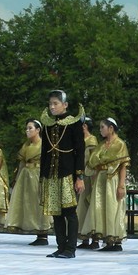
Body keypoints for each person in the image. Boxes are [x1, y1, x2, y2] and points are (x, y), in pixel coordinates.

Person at [40, 90, 85, 259]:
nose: (52, 107)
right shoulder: (48, 125)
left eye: (55, 104)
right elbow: (44, 152)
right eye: (50, 104)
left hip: (67, 174)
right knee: (56, 213)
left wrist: (79, 177)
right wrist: (42, 176)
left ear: (65, 105)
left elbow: (80, 151)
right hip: (51, 174)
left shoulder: (74, 123)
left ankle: (70, 249)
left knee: (69, 212)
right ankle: (60, 247)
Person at [80, 118, 130, 251]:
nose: (100, 130)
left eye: (102, 127)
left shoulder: (120, 144)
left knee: (113, 208)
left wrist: (121, 185)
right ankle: (101, 237)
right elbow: (93, 164)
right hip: (100, 180)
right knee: (99, 208)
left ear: (111, 128)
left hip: (113, 179)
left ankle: (115, 241)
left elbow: (123, 166)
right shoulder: (101, 145)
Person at [5, 119, 52, 245]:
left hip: (37, 174)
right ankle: (32, 227)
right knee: (26, 202)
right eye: (26, 128)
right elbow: (21, 163)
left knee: (38, 202)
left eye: (30, 128)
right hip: (25, 175)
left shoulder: (44, 145)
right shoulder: (26, 146)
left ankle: (43, 233)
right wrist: (16, 179)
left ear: (38, 130)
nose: (27, 131)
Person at [76, 117, 101, 250]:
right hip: (81, 177)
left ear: (84, 126)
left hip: (89, 178)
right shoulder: (80, 141)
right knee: (81, 208)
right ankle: (84, 237)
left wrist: (94, 181)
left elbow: (94, 163)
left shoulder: (91, 141)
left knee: (90, 206)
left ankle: (95, 238)